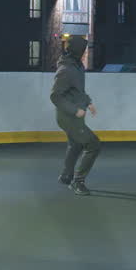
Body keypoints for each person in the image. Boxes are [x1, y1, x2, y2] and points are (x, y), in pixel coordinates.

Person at [49, 36, 100, 196]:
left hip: (75, 117)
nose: (85, 53)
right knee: (93, 144)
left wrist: (88, 102)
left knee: (76, 145)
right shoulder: (66, 70)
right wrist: (74, 110)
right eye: (84, 50)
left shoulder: (78, 66)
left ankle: (66, 176)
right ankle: (78, 182)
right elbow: (55, 96)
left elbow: (78, 91)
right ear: (78, 51)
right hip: (68, 117)